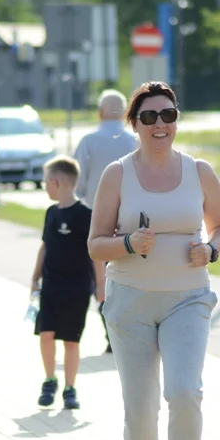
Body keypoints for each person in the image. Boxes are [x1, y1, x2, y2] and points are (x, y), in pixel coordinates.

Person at [88, 81, 220, 440]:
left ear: (176, 120)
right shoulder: (118, 174)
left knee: (185, 391)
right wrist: (129, 242)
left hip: (188, 298)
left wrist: (211, 250)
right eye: (149, 117)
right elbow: (96, 245)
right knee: (140, 404)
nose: (159, 125)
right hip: (130, 302)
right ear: (134, 123)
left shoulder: (199, 171)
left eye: (167, 115)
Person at [31, 156, 105, 410]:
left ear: (55, 182)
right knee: (46, 334)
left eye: (45, 182)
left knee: (71, 341)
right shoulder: (51, 213)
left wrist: (100, 285)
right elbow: (45, 246)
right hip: (50, 286)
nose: (44, 186)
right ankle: (49, 379)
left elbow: (96, 253)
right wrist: (35, 277)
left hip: (77, 288)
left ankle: (70, 388)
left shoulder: (86, 215)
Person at [75, 89, 139, 354]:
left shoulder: (89, 141)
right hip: (129, 220)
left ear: (100, 112)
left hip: (94, 219)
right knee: (127, 275)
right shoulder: (134, 142)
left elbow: (77, 181)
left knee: (99, 278)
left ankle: (109, 332)